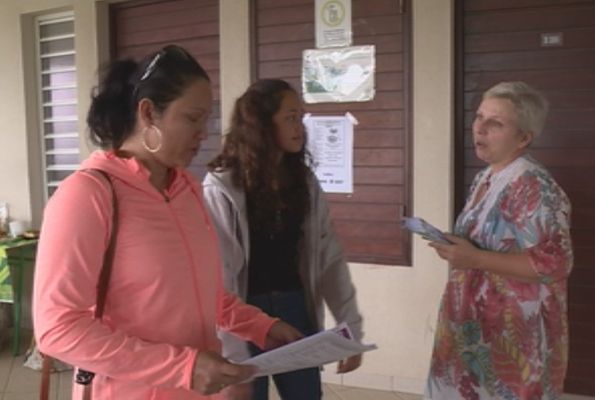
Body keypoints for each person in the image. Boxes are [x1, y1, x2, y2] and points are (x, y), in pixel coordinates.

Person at [33, 45, 301, 400]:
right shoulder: (87, 195)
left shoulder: (187, 190)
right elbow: (58, 328)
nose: (203, 133)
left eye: (206, 119)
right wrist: (183, 367)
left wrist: (262, 326)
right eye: (192, 118)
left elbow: (207, 296)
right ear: (148, 113)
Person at [203, 79, 364, 400]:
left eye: (301, 116)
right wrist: (233, 352)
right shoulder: (223, 187)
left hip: (295, 306)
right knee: (248, 395)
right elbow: (223, 276)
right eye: (290, 117)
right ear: (262, 123)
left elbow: (330, 259)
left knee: (306, 395)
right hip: (244, 313)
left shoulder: (303, 182)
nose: (299, 127)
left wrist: (351, 330)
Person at [425, 82, 573, 400]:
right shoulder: (487, 175)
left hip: (515, 337)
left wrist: (475, 259)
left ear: (524, 137)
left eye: (496, 123)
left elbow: (555, 262)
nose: (480, 128)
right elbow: (487, 241)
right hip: (476, 328)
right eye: (479, 117)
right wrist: (455, 245)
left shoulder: (533, 185)